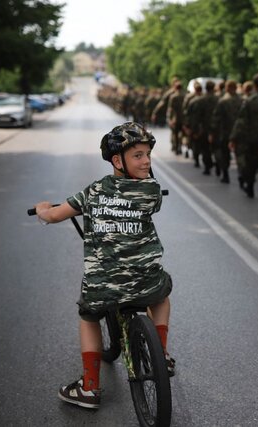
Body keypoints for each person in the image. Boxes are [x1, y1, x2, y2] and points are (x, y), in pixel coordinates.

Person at [34, 122, 174, 409]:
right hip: (144, 280)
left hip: (103, 285)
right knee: (162, 295)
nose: (146, 161)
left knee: (88, 317)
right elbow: (146, 198)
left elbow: (54, 216)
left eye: (148, 154)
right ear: (118, 160)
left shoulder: (93, 191)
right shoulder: (151, 191)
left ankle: (89, 387)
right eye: (138, 155)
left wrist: (42, 209)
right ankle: (161, 353)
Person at [230, 73, 258, 198]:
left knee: (250, 164)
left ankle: (250, 186)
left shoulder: (249, 101)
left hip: (253, 138)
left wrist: (233, 138)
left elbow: (241, 121)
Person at [210, 80, 242, 183]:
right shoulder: (242, 100)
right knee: (240, 154)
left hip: (225, 132)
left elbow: (216, 118)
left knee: (225, 154)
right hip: (239, 132)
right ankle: (242, 175)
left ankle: (225, 174)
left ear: (227, 88)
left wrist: (213, 132)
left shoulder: (223, 101)